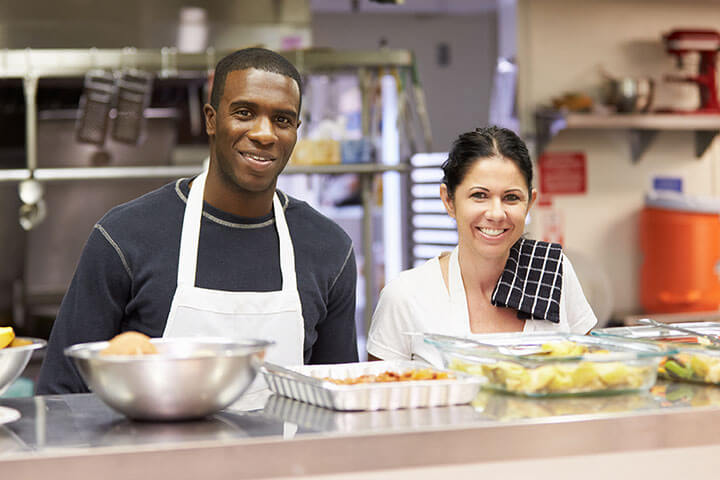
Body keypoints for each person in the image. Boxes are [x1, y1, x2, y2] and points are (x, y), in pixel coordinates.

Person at [37, 48, 358, 394]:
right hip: (152, 449)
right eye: (244, 113)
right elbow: (60, 394)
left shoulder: (330, 250)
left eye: (282, 120)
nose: (264, 133)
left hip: (286, 449)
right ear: (211, 119)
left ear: (296, 130)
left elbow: (340, 398)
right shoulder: (123, 238)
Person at [367, 126, 597, 362]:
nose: (496, 214)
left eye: (511, 197)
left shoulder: (553, 271)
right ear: (449, 201)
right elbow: (376, 393)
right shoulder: (405, 296)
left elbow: (594, 375)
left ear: (530, 203)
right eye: (479, 195)